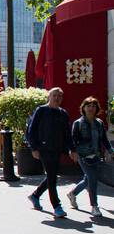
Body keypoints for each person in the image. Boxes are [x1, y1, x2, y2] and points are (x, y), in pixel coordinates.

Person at [26, 87, 76, 218]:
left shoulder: (63, 113)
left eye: (60, 96)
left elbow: (67, 134)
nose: (57, 98)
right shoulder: (41, 110)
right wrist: (34, 148)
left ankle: (35, 195)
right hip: (44, 149)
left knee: (52, 176)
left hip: (57, 149)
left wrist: (72, 149)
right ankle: (57, 206)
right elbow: (32, 130)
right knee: (52, 177)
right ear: (49, 96)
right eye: (55, 95)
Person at [67, 96, 113, 220]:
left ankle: (72, 193)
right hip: (83, 156)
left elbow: (103, 139)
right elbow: (73, 140)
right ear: (83, 108)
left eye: (93, 106)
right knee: (92, 179)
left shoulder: (99, 123)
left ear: (97, 108)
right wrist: (73, 152)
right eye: (88, 106)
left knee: (88, 179)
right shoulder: (78, 123)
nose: (91, 108)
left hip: (96, 156)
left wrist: (110, 150)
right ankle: (94, 206)